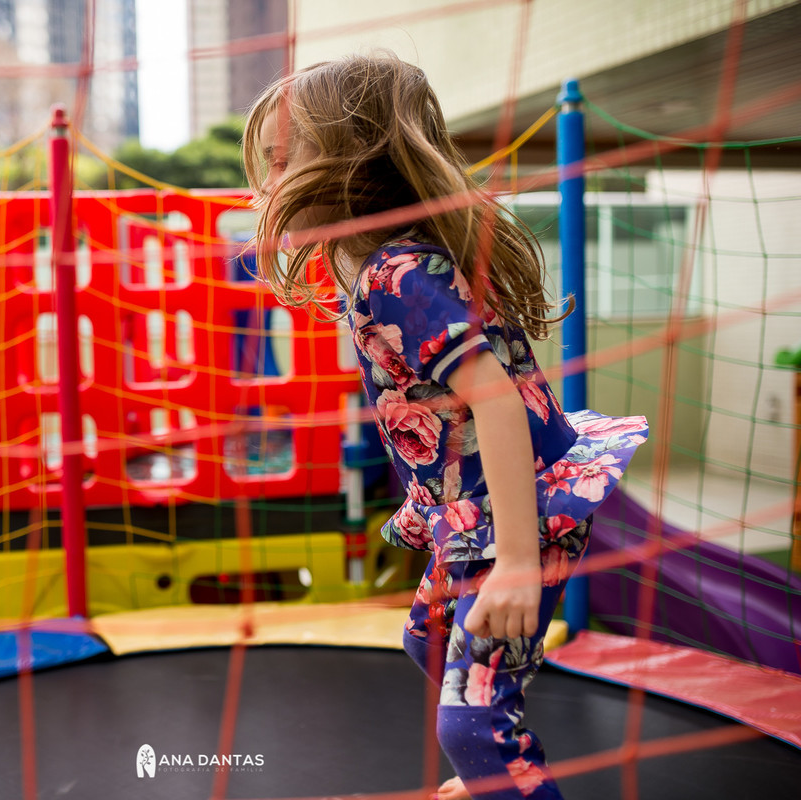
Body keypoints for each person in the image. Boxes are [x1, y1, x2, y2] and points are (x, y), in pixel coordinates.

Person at [242, 52, 647, 800]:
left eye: (278, 162)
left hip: (519, 515)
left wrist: (520, 562)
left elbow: (493, 400)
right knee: (426, 636)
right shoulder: (374, 265)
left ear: (347, 163)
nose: (265, 185)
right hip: (475, 508)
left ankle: (499, 764)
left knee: (470, 725)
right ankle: (494, 768)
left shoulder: (400, 276)